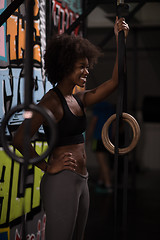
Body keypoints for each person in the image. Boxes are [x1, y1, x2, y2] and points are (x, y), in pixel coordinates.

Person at [12, 17, 129, 240]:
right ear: (65, 67)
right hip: (62, 180)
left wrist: (119, 40)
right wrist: (47, 166)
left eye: (87, 66)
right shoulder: (51, 103)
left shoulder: (77, 99)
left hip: (82, 179)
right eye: (81, 67)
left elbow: (115, 81)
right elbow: (19, 139)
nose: (87, 72)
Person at [86, 101, 115, 193]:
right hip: (107, 138)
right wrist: (112, 138)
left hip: (98, 138)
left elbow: (93, 123)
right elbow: (114, 124)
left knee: (103, 163)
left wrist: (87, 138)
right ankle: (101, 181)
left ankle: (108, 185)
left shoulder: (98, 107)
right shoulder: (110, 107)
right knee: (104, 161)